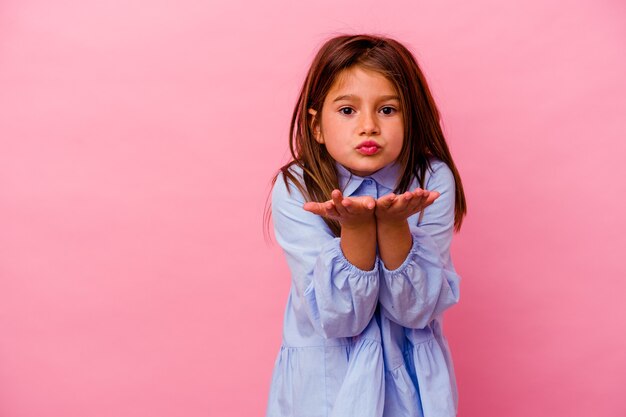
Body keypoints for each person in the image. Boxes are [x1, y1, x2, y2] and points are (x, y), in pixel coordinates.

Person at [263, 34, 467, 417]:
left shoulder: (432, 180)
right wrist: (357, 229)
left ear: (412, 117)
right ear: (317, 126)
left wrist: (392, 227)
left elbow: (416, 311)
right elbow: (340, 317)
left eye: (387, 110)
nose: (369, 126)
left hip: (411, 388)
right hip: (325, 386)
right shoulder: (295, 186)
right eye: (347, 110)